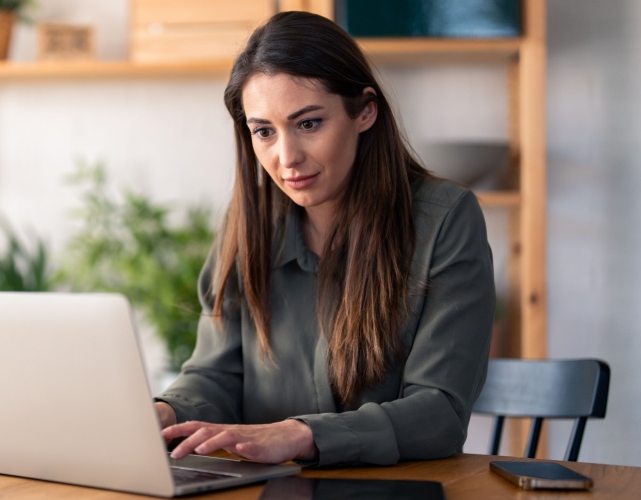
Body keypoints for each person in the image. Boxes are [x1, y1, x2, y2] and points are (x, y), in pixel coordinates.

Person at [153, 11, 496, 467]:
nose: (287, 157)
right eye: (264, 131)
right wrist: (165, 412)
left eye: (309, 123)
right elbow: (215, 375)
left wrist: (300, 436)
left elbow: (440, 412)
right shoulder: (247, 222)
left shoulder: (446, 221)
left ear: (365, 111)